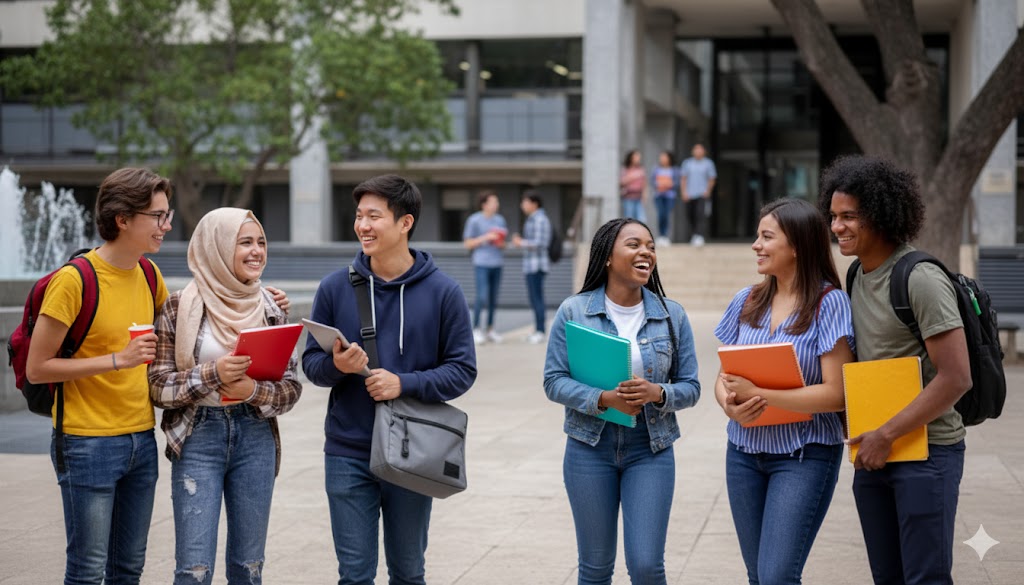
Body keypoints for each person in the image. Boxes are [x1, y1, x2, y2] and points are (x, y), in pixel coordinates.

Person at [302, 174, 477, 585]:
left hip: (412, 450)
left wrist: (405, 383)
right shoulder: (333, 288)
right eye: (359, 215)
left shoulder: (443, 292)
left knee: (408, 572)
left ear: (405, 223)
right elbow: (311, 364)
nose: (363, 225)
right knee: (354, 576)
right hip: (347, 452)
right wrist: (337, 367)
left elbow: (463, 369)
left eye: (374, 216)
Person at [821, 155, 971, 585]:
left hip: (927, 453)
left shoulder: (919, 278)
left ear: (882, 215)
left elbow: (957, 376)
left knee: (925, 578)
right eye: (833, 216)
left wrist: (886, 435)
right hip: (874, 452)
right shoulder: (855, 276)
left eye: (850, 216)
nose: (837, 227)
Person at [25, 167, 172, 585]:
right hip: (86, 442)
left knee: (128, 569)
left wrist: (259, 294)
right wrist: (116, 360)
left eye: (167, 213)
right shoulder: (74, 281)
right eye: (157, 216)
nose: (167, 225)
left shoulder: (149, 274)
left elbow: (180, 328)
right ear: (122, 219)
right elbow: (38, 367)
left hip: (141, 440)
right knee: (88, 571)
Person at [148, 208, 302, 584]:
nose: (256, 251)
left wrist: (251, 389)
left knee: (248, 568)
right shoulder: (178, 306)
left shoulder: (271, 306)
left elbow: (291, 387)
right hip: (198, 435)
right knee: (194, 570)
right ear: (214, 247)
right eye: (244, 242)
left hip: (256, 437)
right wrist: (211, 374)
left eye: (261, 242)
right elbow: (158, 385)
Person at [543, 218, 701, 585]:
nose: (645, 251)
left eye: (650, 246)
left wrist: (658, 393)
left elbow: (691, 386)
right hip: (588, 448)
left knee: (647, 565)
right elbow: (553, 381)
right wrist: (602, 398)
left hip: (650, 448)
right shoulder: (574, 311)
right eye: (634, 244)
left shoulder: (671, 315)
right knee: (595, 568)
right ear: (608, 257)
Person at [713, 198, 856, 585]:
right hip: (742, 454)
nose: (756, 245)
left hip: (804, 456)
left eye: (766, 237)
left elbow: (836, 394)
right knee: (758, 576)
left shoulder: (830, 304)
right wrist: (729, 403)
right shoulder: (746, 300)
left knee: (777, 576)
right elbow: (723, 375)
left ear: (797, 245)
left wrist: (759, 393)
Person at [462, 189, 507, 344]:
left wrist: (500, 242)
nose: (497, 204)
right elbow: (467, 243)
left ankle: (490, 329)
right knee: (482, 296)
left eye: (497, 202)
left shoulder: (500, 220)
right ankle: (476, 329)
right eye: (494, 202)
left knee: (494, 298)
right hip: (481, 263)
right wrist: (485, 238)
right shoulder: (474, 220)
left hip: (497, 263)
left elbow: (503, 245)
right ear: (484, 204)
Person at [512, 189, 552, 344]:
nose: (523, 205)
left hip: (537, 265)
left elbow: (541, 243)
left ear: (534, 203)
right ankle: (537, 330)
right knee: (535, 298)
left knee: (537, 298)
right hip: (531, 264)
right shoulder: (533, 219)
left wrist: (520, 242)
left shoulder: (539, 219)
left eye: (525, 202)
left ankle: (541, 331)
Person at [679, 143, 717, 247]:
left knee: (700, 215)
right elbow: (683, 178)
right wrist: (683, 192)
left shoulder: (708, 163)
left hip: (702, 194)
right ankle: (693, 235)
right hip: (690, 194)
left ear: (704, 151)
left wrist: (708, 191)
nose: (698, 151)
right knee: (690, 215)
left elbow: (712, 178)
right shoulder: (687, 163)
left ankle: (699, 235)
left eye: (700, 149)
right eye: (696, 149)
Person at [649, 150, 680, 246]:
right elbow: (652, 181)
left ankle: (665, 236)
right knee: (660, 215)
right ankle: (661, 236)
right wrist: (659, 185)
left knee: (666, 215)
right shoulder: (656, 169)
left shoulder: (674, 169)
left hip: (669, 196)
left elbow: (677, 182)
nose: (662, 159)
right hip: (659, 195)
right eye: (661, 157)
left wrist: (668, 185)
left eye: (664, 157)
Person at [619, 149, 647, 223]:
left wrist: (644, 195)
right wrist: (634, 177)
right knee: (629, 220)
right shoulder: (625, 169)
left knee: (642, 219)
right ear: (631, 158)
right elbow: (621, 182)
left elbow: (644, 184)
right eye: (636, 157)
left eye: (639, 157)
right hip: (628, 197)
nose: (638, 159)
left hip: (638, 197)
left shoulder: (641, 169)